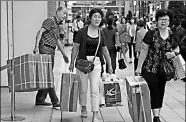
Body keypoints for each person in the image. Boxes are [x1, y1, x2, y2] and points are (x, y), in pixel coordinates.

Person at [135, 9, 180, 122]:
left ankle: (157, 113)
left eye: (166, 20)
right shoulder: (150, 33)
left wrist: (173, 53)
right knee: (154, 90)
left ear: (169, 21)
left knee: (161, 91)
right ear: (157, 21)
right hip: (150, 68)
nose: (163, 22)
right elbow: (144, 50)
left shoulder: (172, 34)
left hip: (164, 70)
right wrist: (139, 67)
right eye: (161, 19)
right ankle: (156, 117)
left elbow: (177, 49)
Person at [69, 8, 112, 122]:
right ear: (90, 18)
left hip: (96, 63)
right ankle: (83, 107)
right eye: (95, 16)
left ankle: (95, 113)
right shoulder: (82, 32)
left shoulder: (101, 33)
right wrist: (72, 63)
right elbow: (76, 47)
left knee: (95, 89)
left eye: (99, 17)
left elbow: (104, 50)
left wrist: (109, 65)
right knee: (83, 88)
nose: (97, 19)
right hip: (83, 63)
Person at [33, 6, 69, 108]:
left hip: (51, 50)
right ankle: (55, 101)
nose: (64, 16)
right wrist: (36, 46)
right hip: (45, 49)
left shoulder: (57, 25)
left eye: (66, 14)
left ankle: (40, 99)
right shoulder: (50, 20)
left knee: (46, 75)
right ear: (57, 12)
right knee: (48, 75)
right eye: (63, 13)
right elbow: (40, 32)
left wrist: (64, 55)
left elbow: (57, 41)